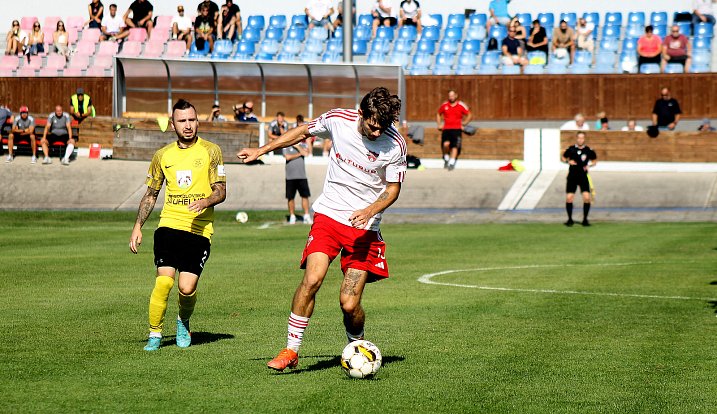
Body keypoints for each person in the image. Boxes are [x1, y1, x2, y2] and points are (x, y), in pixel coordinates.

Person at [237, 87, 406, 372]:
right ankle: (291, 349)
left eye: (383, 128)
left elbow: (392, 189)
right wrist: (262, 150)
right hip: (328, 217)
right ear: (362, 113)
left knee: (349, 304)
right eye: (373, 126)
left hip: (364, 229)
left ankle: (357, 345)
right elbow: (303, 131)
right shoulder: (338, 120)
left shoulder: (395, 145)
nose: (377, 133)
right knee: (313, 278)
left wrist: (369, 211)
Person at [130, 99, 227, 352]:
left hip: (199, 229)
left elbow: (221, 191)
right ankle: (155, 333)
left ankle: (183, 321)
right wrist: (138, 226)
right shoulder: (162, 156)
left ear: (198, 121)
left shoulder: (212, 151)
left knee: (187, 287)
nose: (188, 125)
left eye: (192, 120)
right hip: (169, 225)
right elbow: (151, 194)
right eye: (182, 121)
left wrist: (206, 200)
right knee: (164, 282)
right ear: (173, 124)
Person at [561, 131, 597, 227]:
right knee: (569, 198)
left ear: (584, 139)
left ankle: (585, 219)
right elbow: (563, 158)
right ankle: (570, 219)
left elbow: (594, 160)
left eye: (582, 138)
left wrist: (589, 165)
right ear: (576, 138)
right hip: (572, 176)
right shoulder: (571, 149)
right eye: (579, 138)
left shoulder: (588, 150)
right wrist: (568, 161)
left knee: (586, 198)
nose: (580, 139)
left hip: (583, 177)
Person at [437, 90, 472, 171]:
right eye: (450, 96)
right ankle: (446, 158)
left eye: (452, 95)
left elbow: (469, 114)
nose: (451, 97)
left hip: (457, 129)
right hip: (446, 129)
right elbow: (438, 114)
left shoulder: (461, 105)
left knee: (455, 146)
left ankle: (451, 163)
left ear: (456, 96)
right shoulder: (445, 105)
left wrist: (464, 123)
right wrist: (439, 124)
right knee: (446, 144)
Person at [282, 139, 312, 225]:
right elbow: (287, 157)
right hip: (290, 177)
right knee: (290, 197)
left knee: (305, 196)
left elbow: (306, 154)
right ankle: (292, 216)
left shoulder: (302, 145)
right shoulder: (286, 146)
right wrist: (299, 154)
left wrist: (298, 147)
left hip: (302, 176)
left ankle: (306, 216)